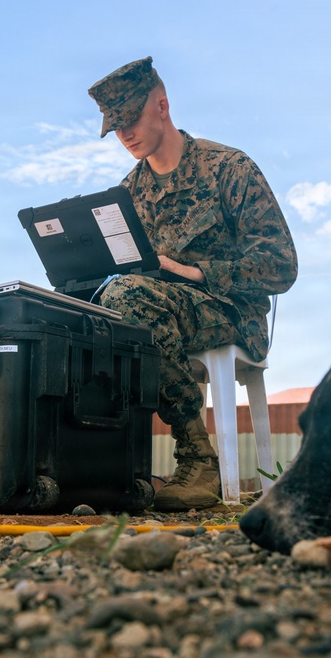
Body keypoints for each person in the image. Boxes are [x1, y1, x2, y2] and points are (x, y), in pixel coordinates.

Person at [88, 57, 298, 511]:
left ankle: (197, 459)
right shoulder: (128, 194)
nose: (124, 135)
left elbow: (281, 264)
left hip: (230, 312)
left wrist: (199, 272)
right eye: (115, 127)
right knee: (90, 309)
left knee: (126, 299)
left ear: (161, 105)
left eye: (130, 121)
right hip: (154, 307)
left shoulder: (229, 168)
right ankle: (102, 467)